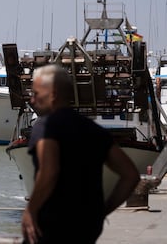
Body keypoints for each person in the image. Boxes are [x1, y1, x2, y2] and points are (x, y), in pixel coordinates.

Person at [22, 64, 140, 244]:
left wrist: (31, 210)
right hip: (88, 227)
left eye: (35, 94)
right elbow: (131, 175)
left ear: (53, 95)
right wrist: (103, 211)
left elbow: (49, 171)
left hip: (54, 226)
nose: (31, 100)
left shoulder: (45, 125)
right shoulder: (94, 131)